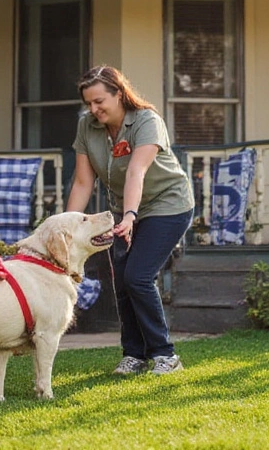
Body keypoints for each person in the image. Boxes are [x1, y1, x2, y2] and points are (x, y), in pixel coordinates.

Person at [65, 65, 193, 376]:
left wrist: (132, 216)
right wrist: (68, 226)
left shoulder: (147, 121)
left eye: (100, 102)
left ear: (119, 94)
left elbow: (137, 172)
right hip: (124, 210)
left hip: (167, 205)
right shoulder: (88, 126)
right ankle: (134, 355)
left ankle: (166, 355)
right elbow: (83, 183)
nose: (94, 110)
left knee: (138, 277)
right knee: (122, 282)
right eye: (89, 104)